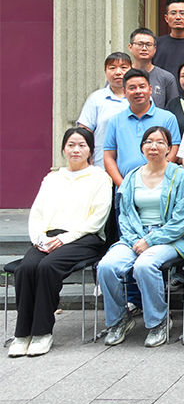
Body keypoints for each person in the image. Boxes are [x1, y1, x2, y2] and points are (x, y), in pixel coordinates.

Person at [9, 128, 112, 358]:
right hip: (49, 237)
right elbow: (37, 212)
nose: (76, 150)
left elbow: (98, 217)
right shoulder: (52, 178)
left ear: (90, 150)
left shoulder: (99, 178)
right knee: (26, 268)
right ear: (64, 149)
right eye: (71, 145)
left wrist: (65, 238)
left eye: (82, 145)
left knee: (48, 267)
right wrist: (39, 238)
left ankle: (42, 333)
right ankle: (22, 334)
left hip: (84, 237)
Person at [98, 126, 184, 347]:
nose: (154, 146)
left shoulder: (179, 176)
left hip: (170, 237)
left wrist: (150, 241)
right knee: (106, 266)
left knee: (144, 265)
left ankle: (158, 321)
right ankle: (119, 319)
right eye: (149, 141)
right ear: (142, 147)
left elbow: (179, 223)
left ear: (169, 148)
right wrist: (135, 240)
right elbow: (124, 216)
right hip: (134, 236)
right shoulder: (132, 176)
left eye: (160, 142)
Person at [103, 69, 181, 188]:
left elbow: (174, 149)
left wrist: (158, 177)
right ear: (124, 92)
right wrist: (123, 186)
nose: (138, 91)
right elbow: (109, 157)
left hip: (160, 185)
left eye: (142, 87)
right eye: (132, 88)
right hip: (126, 187)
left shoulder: (168, 118)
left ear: (150, 89)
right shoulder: (115, 121)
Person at [77, 52, 132, 170]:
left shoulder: (140, 97)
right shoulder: (96, 99)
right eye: (112, 68)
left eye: (123, 67)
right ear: (105, 71)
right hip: (101, 166)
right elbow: (84, 132)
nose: (118, 72)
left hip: (135, 167)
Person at [128, 27, 180, 109]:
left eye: (148, 45)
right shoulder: (121, 76)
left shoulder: (166, 78)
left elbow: (174, 108)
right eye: (140, 44)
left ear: (155, 49)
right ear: (130, 47)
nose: (144, 48)